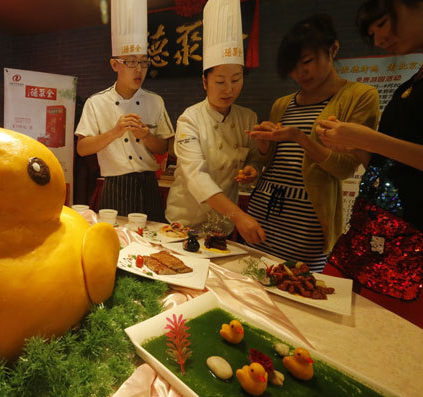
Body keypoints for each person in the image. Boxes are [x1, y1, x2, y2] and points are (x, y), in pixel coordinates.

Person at [314, 0, 423, 327]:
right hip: (368, 228)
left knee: (386, 336)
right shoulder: (415, 77)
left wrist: (366, 139)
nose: (377, 39)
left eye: (382, 23)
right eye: (370, 32)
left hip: (408, 241)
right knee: (332, 317)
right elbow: (389, 161)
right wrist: (352, 144)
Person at [245, 14, 380, 272]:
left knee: (297, 288)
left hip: (307, 217)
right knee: (253, 282)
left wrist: (300, 137)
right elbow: (268, 160)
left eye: (307, 61)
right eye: (293, 67)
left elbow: (344, 169)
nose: (301, 72)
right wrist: (263, 142)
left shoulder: (359, 96)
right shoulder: (282, 104)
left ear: (333, 50)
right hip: (263, 207)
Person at [165, 0, 266, 244]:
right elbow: (196, 177)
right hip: (184, 222)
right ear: (205, 82)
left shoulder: (248, 118)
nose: (229, 89)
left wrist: (253, 169)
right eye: (220, 81)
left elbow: (256, 157)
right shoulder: (190, 119)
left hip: (221, 225)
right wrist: (240, 216)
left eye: (236, 79)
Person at [75, 0, 174, 222]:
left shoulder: (155, 101)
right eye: (130, 62)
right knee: (116, 246)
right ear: (115, 65)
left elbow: (164, 147)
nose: (138, 69)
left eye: (143, 62)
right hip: (114, 186)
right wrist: (114, 132)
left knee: (154, 242)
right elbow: (82, 148)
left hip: (149, 185)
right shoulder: (97, 102)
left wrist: (146, 136)